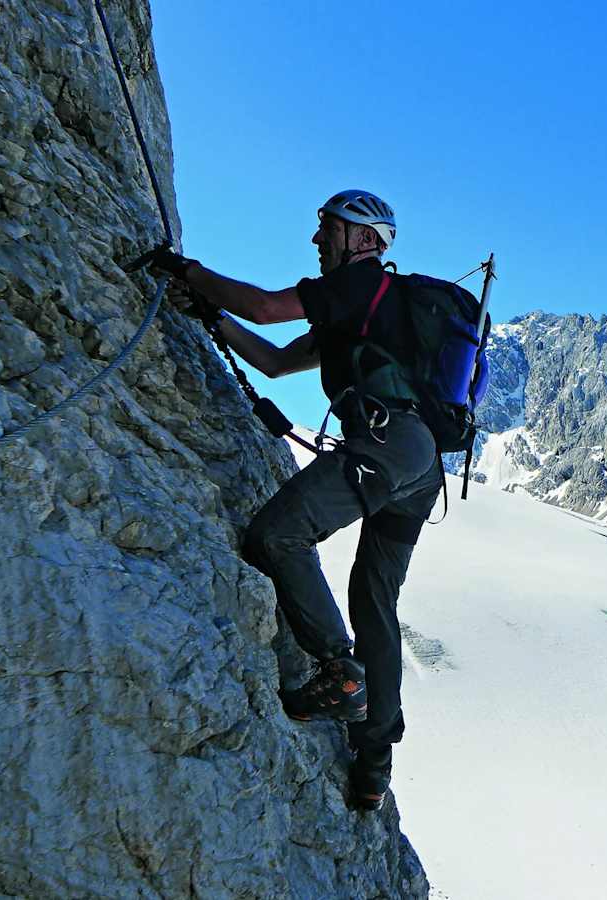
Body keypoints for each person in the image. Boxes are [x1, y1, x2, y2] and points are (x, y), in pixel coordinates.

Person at [151, 189, 442, 812]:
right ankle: (374, 763)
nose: (317, 241)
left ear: (365, 240)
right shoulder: (369, 307)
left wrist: (187, 270)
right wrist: (211, 317)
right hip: (417, 461)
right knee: (375, 601)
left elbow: (264, 307)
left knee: (277, 535)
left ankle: (340, 671)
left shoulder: (357, 287)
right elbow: (279, 363)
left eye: (328, 230)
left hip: (385, 443)